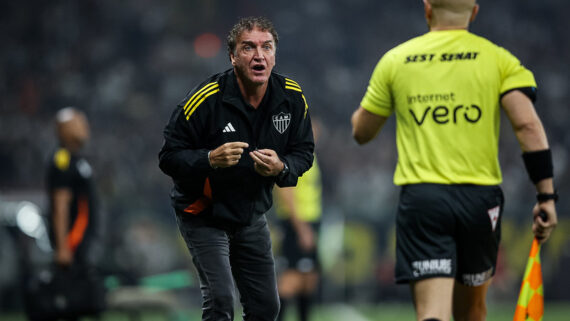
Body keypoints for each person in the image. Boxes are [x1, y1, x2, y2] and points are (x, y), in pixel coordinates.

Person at [351, 1, 558, 321]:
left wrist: (373, 108)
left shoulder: (397, 59)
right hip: (480, 200)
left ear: (427, 8)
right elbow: (528, 126)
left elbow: (362, 132)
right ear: (474, 11)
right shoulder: (498, 58)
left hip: (424, 199)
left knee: (433, 314)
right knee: (472, 312)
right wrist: (546, 195)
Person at [158, 16, 314, 321]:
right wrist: (208, 160)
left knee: (267, 307)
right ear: (232, 57)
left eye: (266, 47)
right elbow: (168, 156)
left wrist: (282, 167)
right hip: (205, 213)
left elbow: (304, 152)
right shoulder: (205, 100)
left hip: (251, 216)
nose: (259, 55)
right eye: (248, 48)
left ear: (274, 54)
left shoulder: (292, 97)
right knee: (220, 300)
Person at [274, 122, 322, 321]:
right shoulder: (291, 154)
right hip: (296, 223)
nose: (317, 132)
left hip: (310, 221)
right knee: (290, 280)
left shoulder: (309, 154)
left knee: (308, 279)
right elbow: (286, 191)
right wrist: (302, 229)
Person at [47, 107, 97, 271]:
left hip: (84, 243)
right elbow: (61, 203)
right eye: (78, 123)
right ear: (65, 129)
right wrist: (63, 247)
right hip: (73, 244)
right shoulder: (63, 160)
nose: (85, 127)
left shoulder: (77, 160)